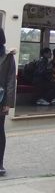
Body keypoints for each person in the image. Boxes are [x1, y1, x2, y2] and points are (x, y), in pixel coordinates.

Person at [0, 27, 17, 176]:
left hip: (1, 100)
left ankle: (0, 164)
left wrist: (8, 103)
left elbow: (11, 81)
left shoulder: (8, 57)